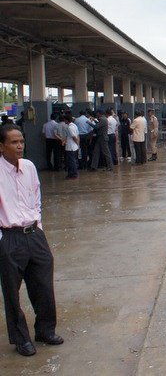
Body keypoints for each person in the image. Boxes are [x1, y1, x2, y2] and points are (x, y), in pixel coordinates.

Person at [0, 124, 64, 356]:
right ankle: (21, 339)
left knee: (43, 287)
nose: (19, 146)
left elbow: (36, 197)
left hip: (34, 235)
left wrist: (38, 225)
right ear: (1, 146)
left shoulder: (29, 167)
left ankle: (45, 330)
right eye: (14, 142)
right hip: (9, 238)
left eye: (22, 142)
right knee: (12, 293)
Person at [60, 114, 79, 180]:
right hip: (73, 146)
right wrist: (77, 144)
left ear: (66, 120)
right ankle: (73, 174)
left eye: (65, 119)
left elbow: (74, 137)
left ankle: (73, 174)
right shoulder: (74, 126)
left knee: (71, 161)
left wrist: (77, 143)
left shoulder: (70, 127)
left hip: (71, 147)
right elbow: (77, 136)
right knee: (73, 161)